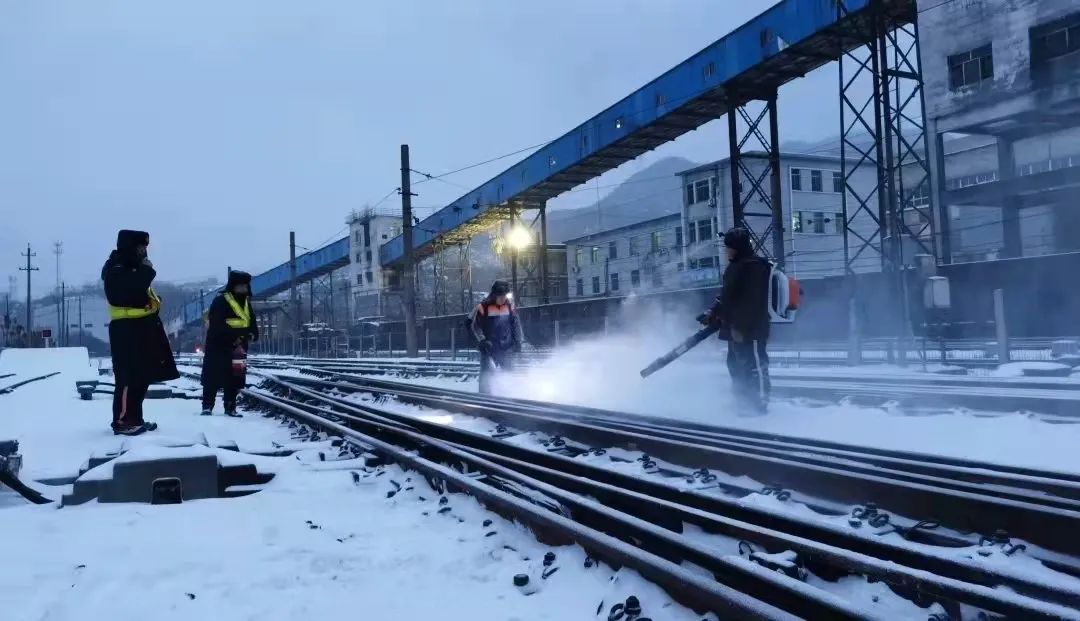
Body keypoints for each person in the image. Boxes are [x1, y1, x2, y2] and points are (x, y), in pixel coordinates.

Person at [102, 229, 180, 435]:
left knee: (141, 376)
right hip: (127, 329)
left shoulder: (132, 267)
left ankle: (135, 418)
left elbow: (139, 293)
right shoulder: (116, 268)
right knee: (128, 377)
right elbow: (130, 290)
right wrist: (146, 271)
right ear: (129, 247)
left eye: (145, 248)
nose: (144, 252)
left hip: (141, 327)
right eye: (140, 248)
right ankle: (123, 421)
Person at [699, 227, 772, 415]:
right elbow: (726, 297)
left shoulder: (754, 267)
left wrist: (741, 326)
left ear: (738, 247)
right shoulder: (735, 266)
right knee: (735, 365)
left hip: (750, 329)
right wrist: (712, 313)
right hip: (734, 328)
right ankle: (742, 401)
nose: (726, 251)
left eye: (729, 248)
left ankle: (759, 404)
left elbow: (753, 302)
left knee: (754, 365)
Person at [200, 271, 258, 416]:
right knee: (212, 377)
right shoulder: (220, 301)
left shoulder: (246, 303)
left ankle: (230, 407)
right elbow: (217, 324)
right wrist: (234, 337)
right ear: (234, 286)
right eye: (241, 286)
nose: (244, 289)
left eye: (246, 286)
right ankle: (207, 406)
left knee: (235, 378)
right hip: (218, 346)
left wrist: (252, 334)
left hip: (239, 347)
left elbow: (251, 321)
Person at [467, 280, 523, 395]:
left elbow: (516, 324)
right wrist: (481, 340)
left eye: (504, 295)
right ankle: (485, 400)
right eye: (500, 296)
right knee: (486, 376)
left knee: (510, 374)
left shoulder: (509, 306)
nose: (503, 298)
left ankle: (510, 397)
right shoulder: (482, 307)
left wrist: (518, 341)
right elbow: (473, 325)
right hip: (488, 348)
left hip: (506, 348)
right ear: (494, 295)